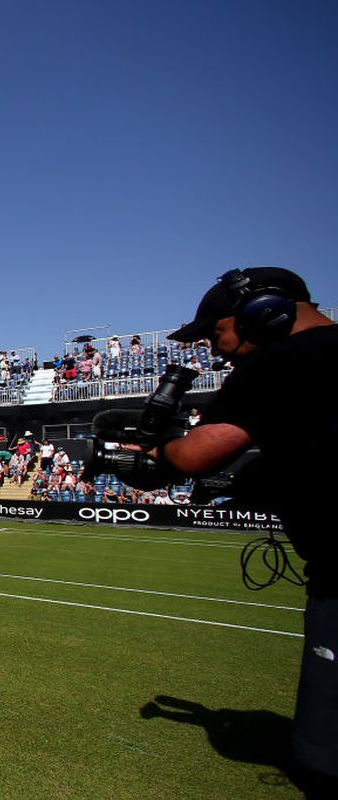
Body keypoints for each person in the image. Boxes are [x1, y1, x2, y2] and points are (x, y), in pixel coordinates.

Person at [152, 267, 337, 790]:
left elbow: (192, 456)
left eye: (216, 332)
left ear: (264, 311)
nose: (217, 350)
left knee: (323, 756)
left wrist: (153, 448)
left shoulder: (280, 362)